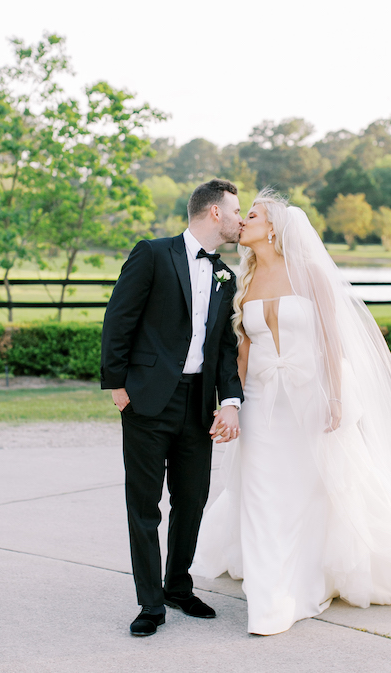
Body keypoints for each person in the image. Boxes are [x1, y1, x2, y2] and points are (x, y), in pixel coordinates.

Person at [191, 190, 391, 636]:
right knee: (260, 492)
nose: (242, 221)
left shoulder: (309, 274)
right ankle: (272, 598)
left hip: (308, 398)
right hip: (260, 401)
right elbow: (242, 352)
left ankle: (308, 576)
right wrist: (230, 405)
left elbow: (332, 340)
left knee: (311, 491)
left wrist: (335, 398)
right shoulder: (242, 280)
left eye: (252, 215)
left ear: (274, 227)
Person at [101, 179, 244, 636]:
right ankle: (150, 605)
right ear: (215, 213)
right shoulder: (153, 253)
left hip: (198, 404)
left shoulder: (227, 276)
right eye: (236, 210)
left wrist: (231, 402)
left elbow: (224, 349)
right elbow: (118, 318)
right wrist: (116, 385)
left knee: (192, 500)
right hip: (146, 399)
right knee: (144, 505)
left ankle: (178, 587)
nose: (241, 219)